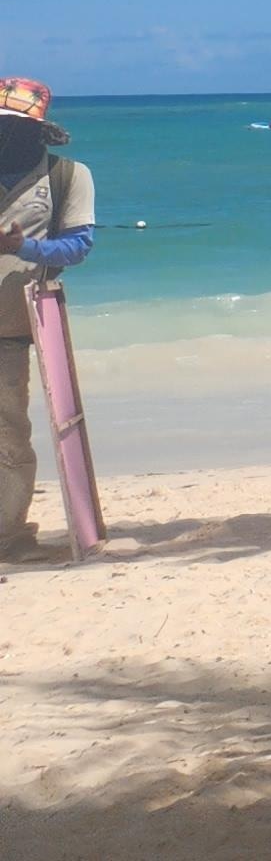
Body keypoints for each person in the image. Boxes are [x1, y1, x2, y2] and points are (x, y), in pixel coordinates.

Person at [0, 76, 99, 564]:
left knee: (8, 435)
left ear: (39, 132)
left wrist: (24, 248)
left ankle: (8, 535)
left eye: (15, 128)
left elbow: (78, 246)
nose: (5, 135)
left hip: (14, 329)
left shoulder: (68, 177)